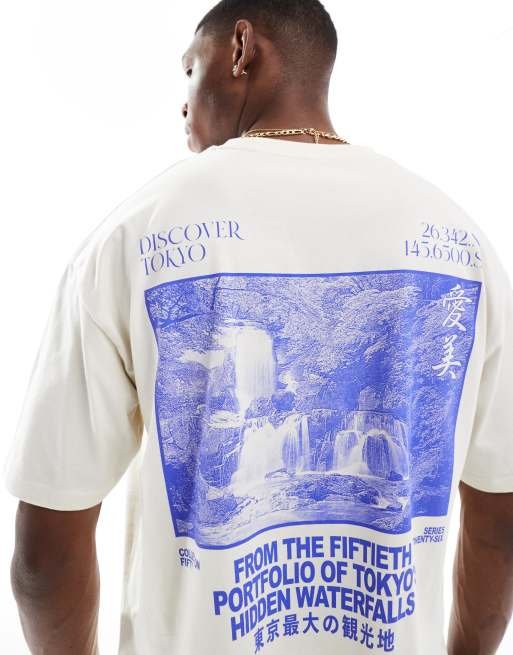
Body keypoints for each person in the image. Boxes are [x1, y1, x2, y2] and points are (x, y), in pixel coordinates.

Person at [4, 1, 513, 653]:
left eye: (189, 71)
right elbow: (499, 524)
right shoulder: (460, 246)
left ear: (241, 49)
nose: (183, 104)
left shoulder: (136, 235)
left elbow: (45, 556)